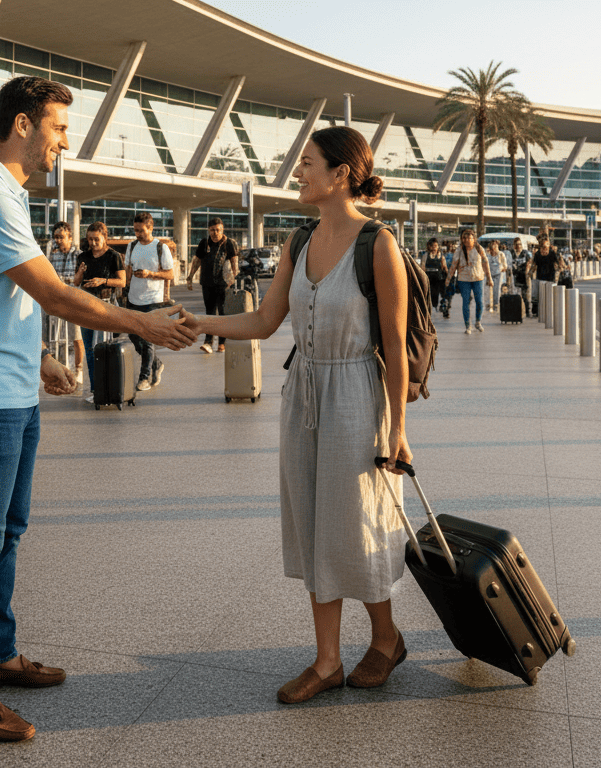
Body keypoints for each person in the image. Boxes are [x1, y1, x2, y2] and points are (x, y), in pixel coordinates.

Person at [0, 75, 195, 743]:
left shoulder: (8, 195)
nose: (64, 143)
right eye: (58, 128)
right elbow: (51, 293)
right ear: (22, 125)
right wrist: (140, 323)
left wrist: (38, 356)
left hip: (9, 389)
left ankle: (0, 653)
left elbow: (1, 295)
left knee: (7, 533)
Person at [183, 125, 414, 705]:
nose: (298, 172)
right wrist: (198, 324)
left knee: (357, 521)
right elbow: (265, 321)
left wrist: (397, 431)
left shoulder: (378, 244)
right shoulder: (298, 240)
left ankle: (386, 639)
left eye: (308, 163)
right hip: (303, 394)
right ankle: (327, 660)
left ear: (341, 174)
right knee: (312, 521)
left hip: (357, 394)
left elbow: (395, 346)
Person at [73, 221, 126, 404]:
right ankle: (96, 390)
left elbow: (122, 281)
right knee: (89, 349)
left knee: (104, 348)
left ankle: (109, 389)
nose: (93, 243)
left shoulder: (113, 256)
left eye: (96, 239)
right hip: (86, 305)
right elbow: (76, 282)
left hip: (105, 306)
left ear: (105, 238)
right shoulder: (83, 256)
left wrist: (102, 281)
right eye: (90, 239)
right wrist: (80, 272)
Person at [123, 211, 175, 391]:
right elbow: (128, 270)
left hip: (153, 299)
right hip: (133, 298)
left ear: (150, 228)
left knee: (147, 338)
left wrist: (150, 274)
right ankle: (157, 364)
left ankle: (144, 377)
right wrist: (124, 289)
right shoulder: (132, 246)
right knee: (133, 335)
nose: (137, 234)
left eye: (141, 230)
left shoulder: (161, 247)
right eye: (135, 230)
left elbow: (170, 274)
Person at [185, 217, 240, 354]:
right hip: (207, 283)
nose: (215, 233)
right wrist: (190, 277)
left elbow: (234, 263)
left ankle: (222, 343)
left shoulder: (229, 243)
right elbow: (197, 261)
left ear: (222, 229)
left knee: (222, 313)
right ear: (208, 230)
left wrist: (234, 280)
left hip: (224, 285)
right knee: (209, 313)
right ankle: (208, 342)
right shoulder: (204, 243)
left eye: (217, 230)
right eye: (212, 230)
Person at [45, 221, 85, 385]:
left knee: (76, 336)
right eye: (56, 237)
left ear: (70, 237)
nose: (58, 240)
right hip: (58, 301)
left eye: (61, 237)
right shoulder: (53, 255)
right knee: (56, 336)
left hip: (74, 300)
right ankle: (60, 370)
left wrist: (62, 280)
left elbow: (79, 280)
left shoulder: (79, 255)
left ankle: (79, 369)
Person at [445, 228, 491, 334]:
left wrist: (489, 278)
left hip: (478, 279)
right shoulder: (459, 250)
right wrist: (448, 279)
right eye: (464, 238)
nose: (466, 240)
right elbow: (453, 265)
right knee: (466, 302)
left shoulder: (479, 248)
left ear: (474, 239)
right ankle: (467, 325)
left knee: (480, 301)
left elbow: (485, 263)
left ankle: (478, 321)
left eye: (469, 238)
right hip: (464, 279)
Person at [527, 234, 562, 315]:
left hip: (550, 277)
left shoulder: (552, 253)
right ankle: (537, 311)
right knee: (539, 295)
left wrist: (558, 272)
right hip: (540, 277)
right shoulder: (537, 254)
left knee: (550, 296)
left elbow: (559, 264)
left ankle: (550, 311)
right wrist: (529, 274)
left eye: (545, 245)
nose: (543, 247)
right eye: (542, 245)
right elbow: (534, 265)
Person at [484, 239, 509, 313]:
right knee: (488, 290)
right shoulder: (488, 255)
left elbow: (505, 266)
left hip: (498, 275)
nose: (494, 246)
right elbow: (485, 265)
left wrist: (502, 269)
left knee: (497, 290)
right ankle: (489, 305)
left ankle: (496, 305)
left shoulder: (501, 254)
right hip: (490, 275)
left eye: (496, 245)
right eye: (493, 244)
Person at [510, 237, 532, 316]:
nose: (518, 246)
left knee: (525, 296)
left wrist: (527, 270)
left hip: (524, 277)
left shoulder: (525, 253)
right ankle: (517, 312)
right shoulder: (511, 253)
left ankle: (528, 312)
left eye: (520, 244)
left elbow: (530, 261)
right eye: (517, 244)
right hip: (515, 277)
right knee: (515, 295)